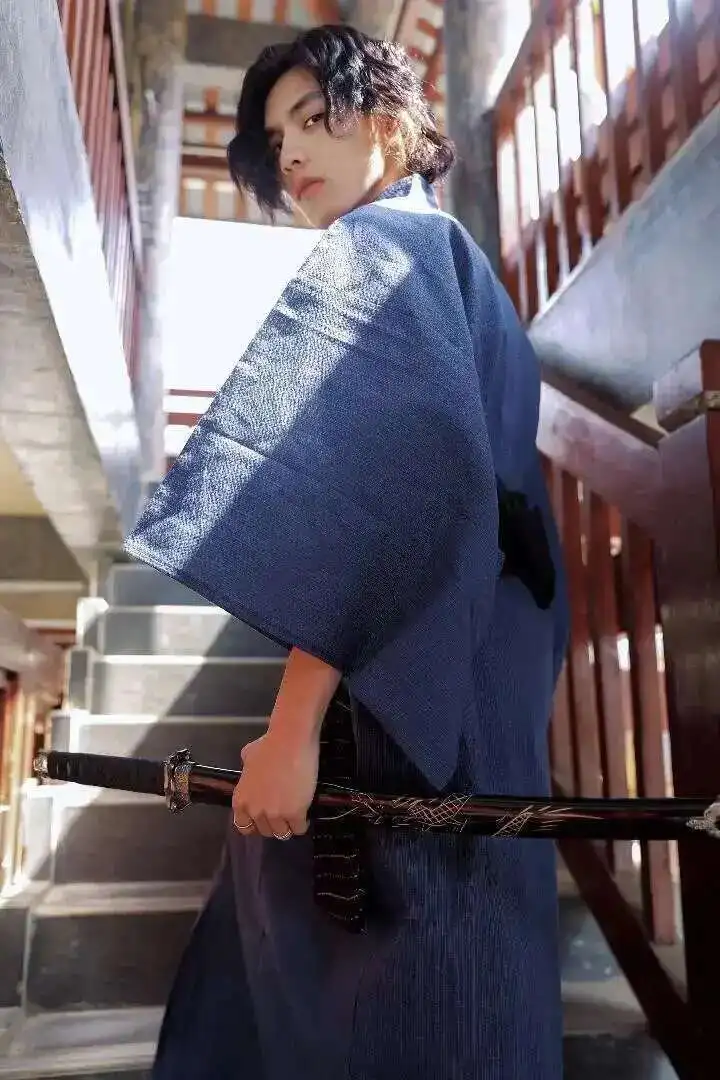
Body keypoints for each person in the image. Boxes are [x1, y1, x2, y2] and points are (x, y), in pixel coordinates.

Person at [124, 24, 569, 1080]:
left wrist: (292, 728)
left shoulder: (385, 246)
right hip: (478, 674)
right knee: (474, 977)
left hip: (410, 695)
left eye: (311, 117)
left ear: (387, 119)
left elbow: (373, 497)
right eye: (274, 137)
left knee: (384, 988)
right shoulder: (453, 257)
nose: (288, 151)